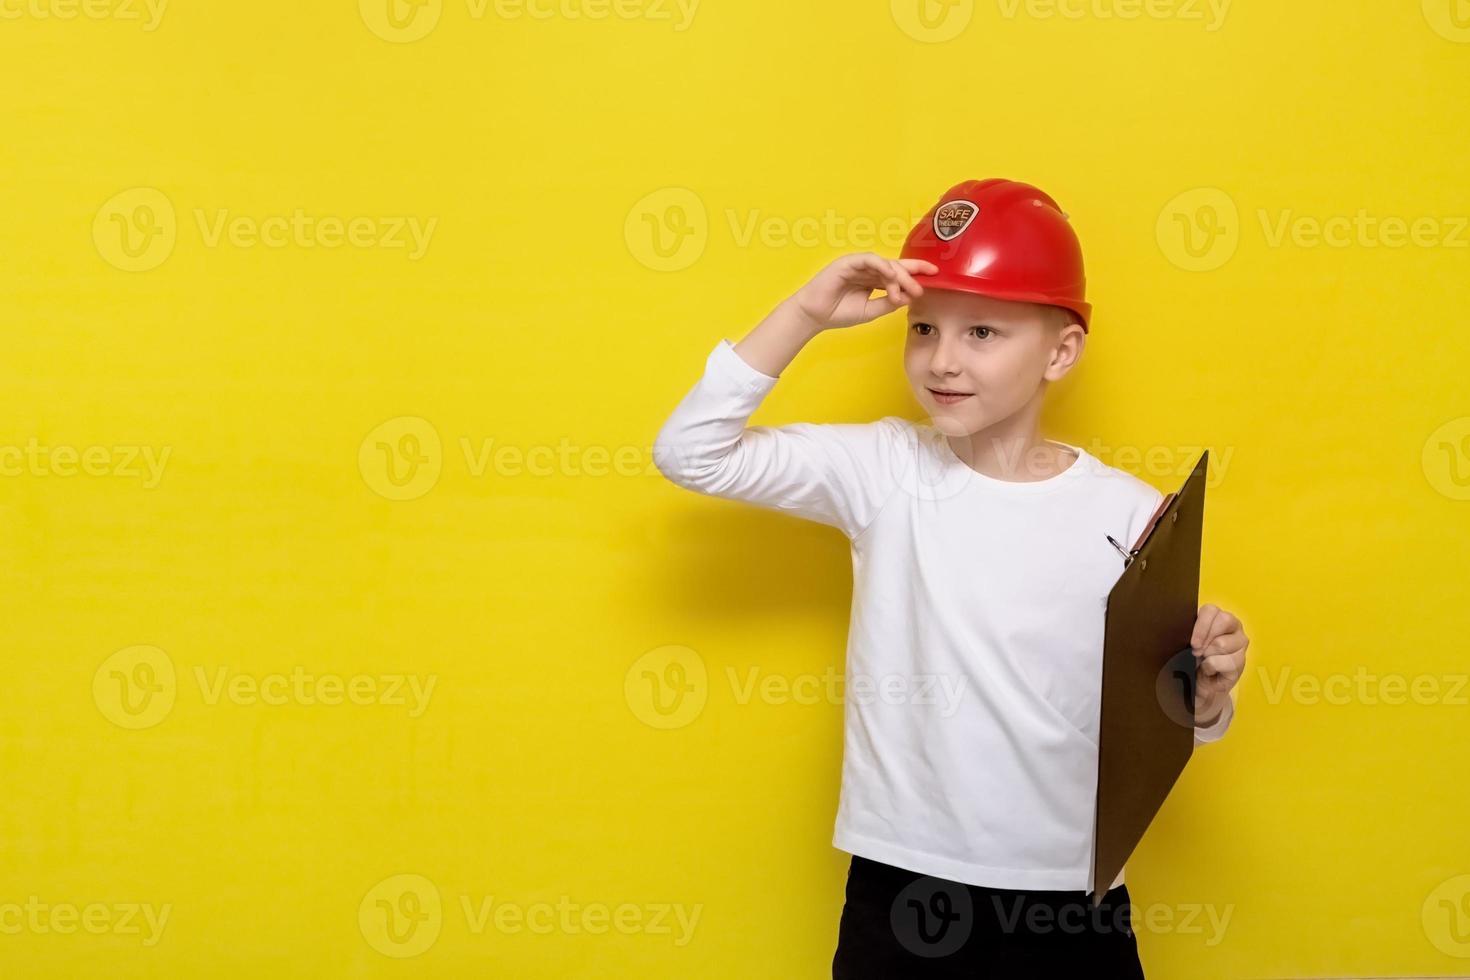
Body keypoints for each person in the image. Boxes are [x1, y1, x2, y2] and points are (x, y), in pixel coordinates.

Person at [651, 178, 1249, 976]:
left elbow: (1171, 722)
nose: (942, 360)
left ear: (1061, 351)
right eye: (924, 326)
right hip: (903, 886)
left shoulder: (1134, 514)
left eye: (983, 333)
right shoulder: (884, 470)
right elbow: (689, 452)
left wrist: (1208, 693)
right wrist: (805, 314)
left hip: (1070, 897)